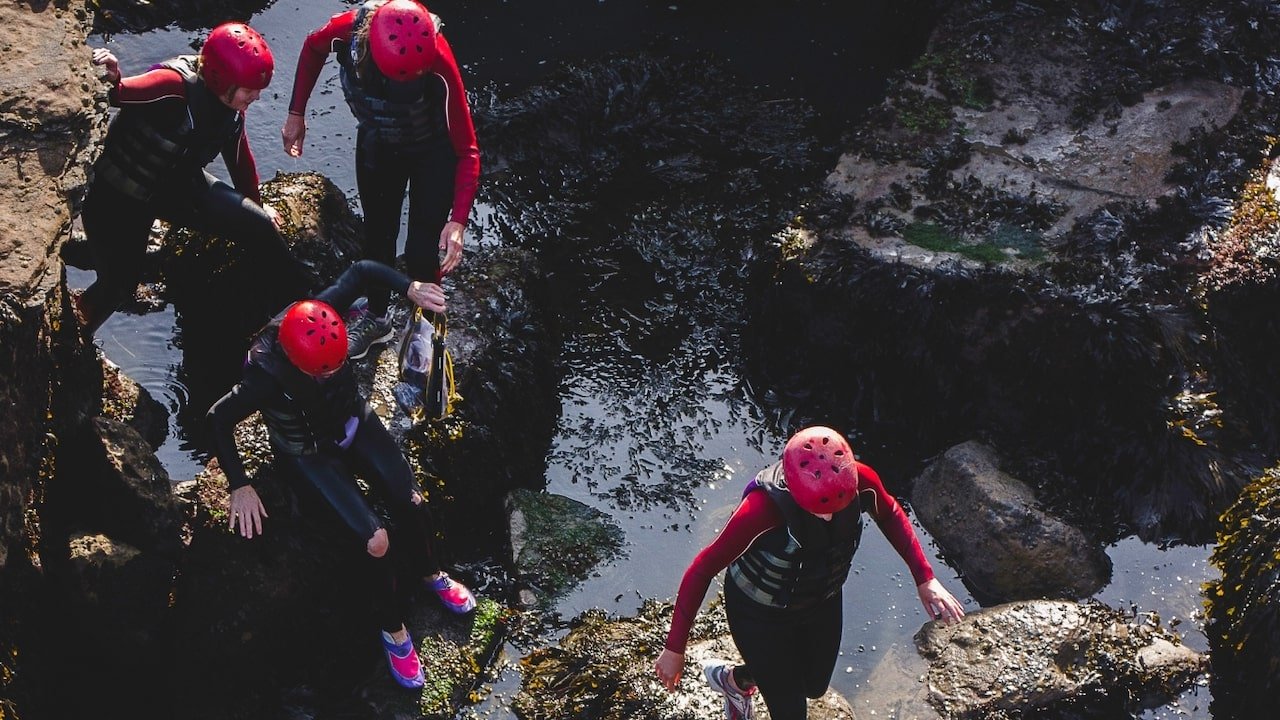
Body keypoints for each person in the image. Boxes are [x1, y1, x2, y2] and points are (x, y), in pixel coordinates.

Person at [207, 259, 477, 689]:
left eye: (338, 364)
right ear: (297, 362)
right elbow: (218, 419)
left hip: (354, 423)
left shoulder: (320, 309)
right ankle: (394, 631)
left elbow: (363, 270)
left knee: (412, 501)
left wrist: (410, 287)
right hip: (308, 454)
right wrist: (240, 484)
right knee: (376, 540)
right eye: (324, 369)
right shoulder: (263, 376)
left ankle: (431, 574)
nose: (334, 371)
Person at [653, 426, 966, 720]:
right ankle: (744, 690)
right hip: (760, 614)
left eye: (837, 506)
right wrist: (674, 648)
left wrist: (925, 578)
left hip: (821, 600)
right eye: (820, 507)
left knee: (814, 686)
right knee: (791, 711)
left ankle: (734, 681)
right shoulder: (760, 511)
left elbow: (891, 512)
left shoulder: (860, 480)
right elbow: (701, 570)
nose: (829, 516)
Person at [79, 23, 310, 334]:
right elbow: (117, 93)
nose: (256, 97)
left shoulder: (230, 106)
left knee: (259, 225)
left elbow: (240, 158)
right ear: (222, 79)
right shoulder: (173, 85)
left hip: (178, 187)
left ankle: (301, 310)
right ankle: (73, 332)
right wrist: (112, 74)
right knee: (119, 285)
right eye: (250, 90)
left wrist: (256, 205)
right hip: (119, 197)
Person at [282, 0, 480, 360]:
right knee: (377, 236)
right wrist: (296, 112)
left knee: (422, 249)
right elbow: (312, 46)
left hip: (431, 149)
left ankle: (427, 326)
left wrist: (458, 221)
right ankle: (377, 317)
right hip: (378, 139)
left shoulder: (439, 59)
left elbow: (467, 150)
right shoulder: (348, 31)